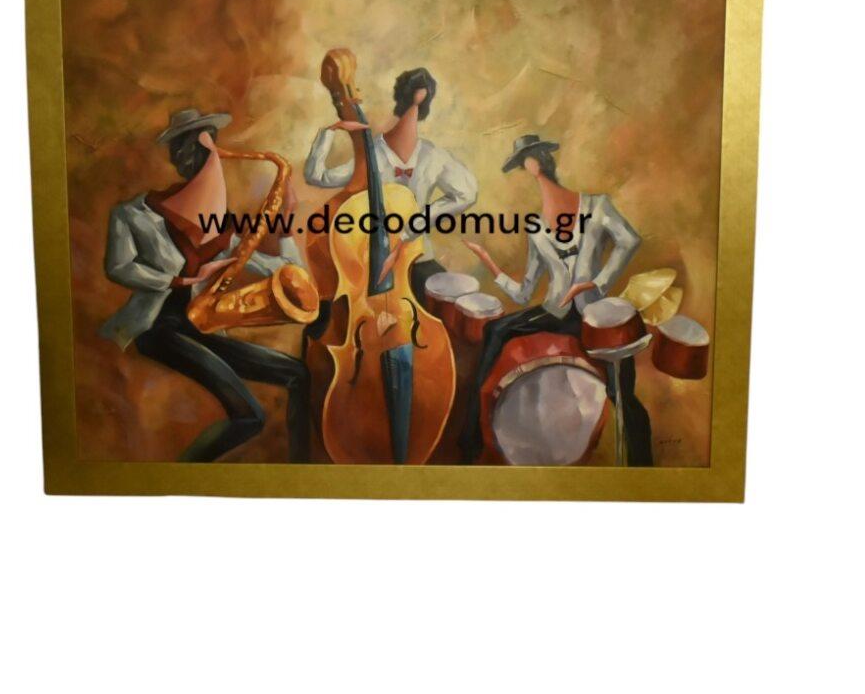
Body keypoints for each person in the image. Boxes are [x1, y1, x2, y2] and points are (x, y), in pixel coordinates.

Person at [99, 108, 310, 463]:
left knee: (299, 374)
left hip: (200, 327)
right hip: (155, 328)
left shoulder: (218, 226)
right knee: (250, 415)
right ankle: (183, 477)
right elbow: (118, 267)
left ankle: (302, 472)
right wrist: (179, 280)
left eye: (210, 148)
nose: (209, 157)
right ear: (181, 154)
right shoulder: (133, 214)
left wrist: (285, 227)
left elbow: (287, 271)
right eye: (199, 148)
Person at [461, 133, 653, 466]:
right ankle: (471, 438)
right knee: (496, 330)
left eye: (530, 159)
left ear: (538, 162)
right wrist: (490, 264)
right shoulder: (536, 229)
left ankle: (642, 466)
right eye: (526, 161)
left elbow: (629, 240)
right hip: (555, 311)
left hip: (593, 313)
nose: (531, 164)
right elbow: (524, 292)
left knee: (623, 391)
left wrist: (597, 282)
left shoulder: (597, 206)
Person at [303, 67, 477, 300]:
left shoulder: (433, 155)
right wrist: (329, 132)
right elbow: (317, 176)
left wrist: (417, 223)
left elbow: (468, 192)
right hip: (373, 262)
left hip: (418, 257)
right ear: (421, 96)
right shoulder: (372, 153)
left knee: (445, 303)